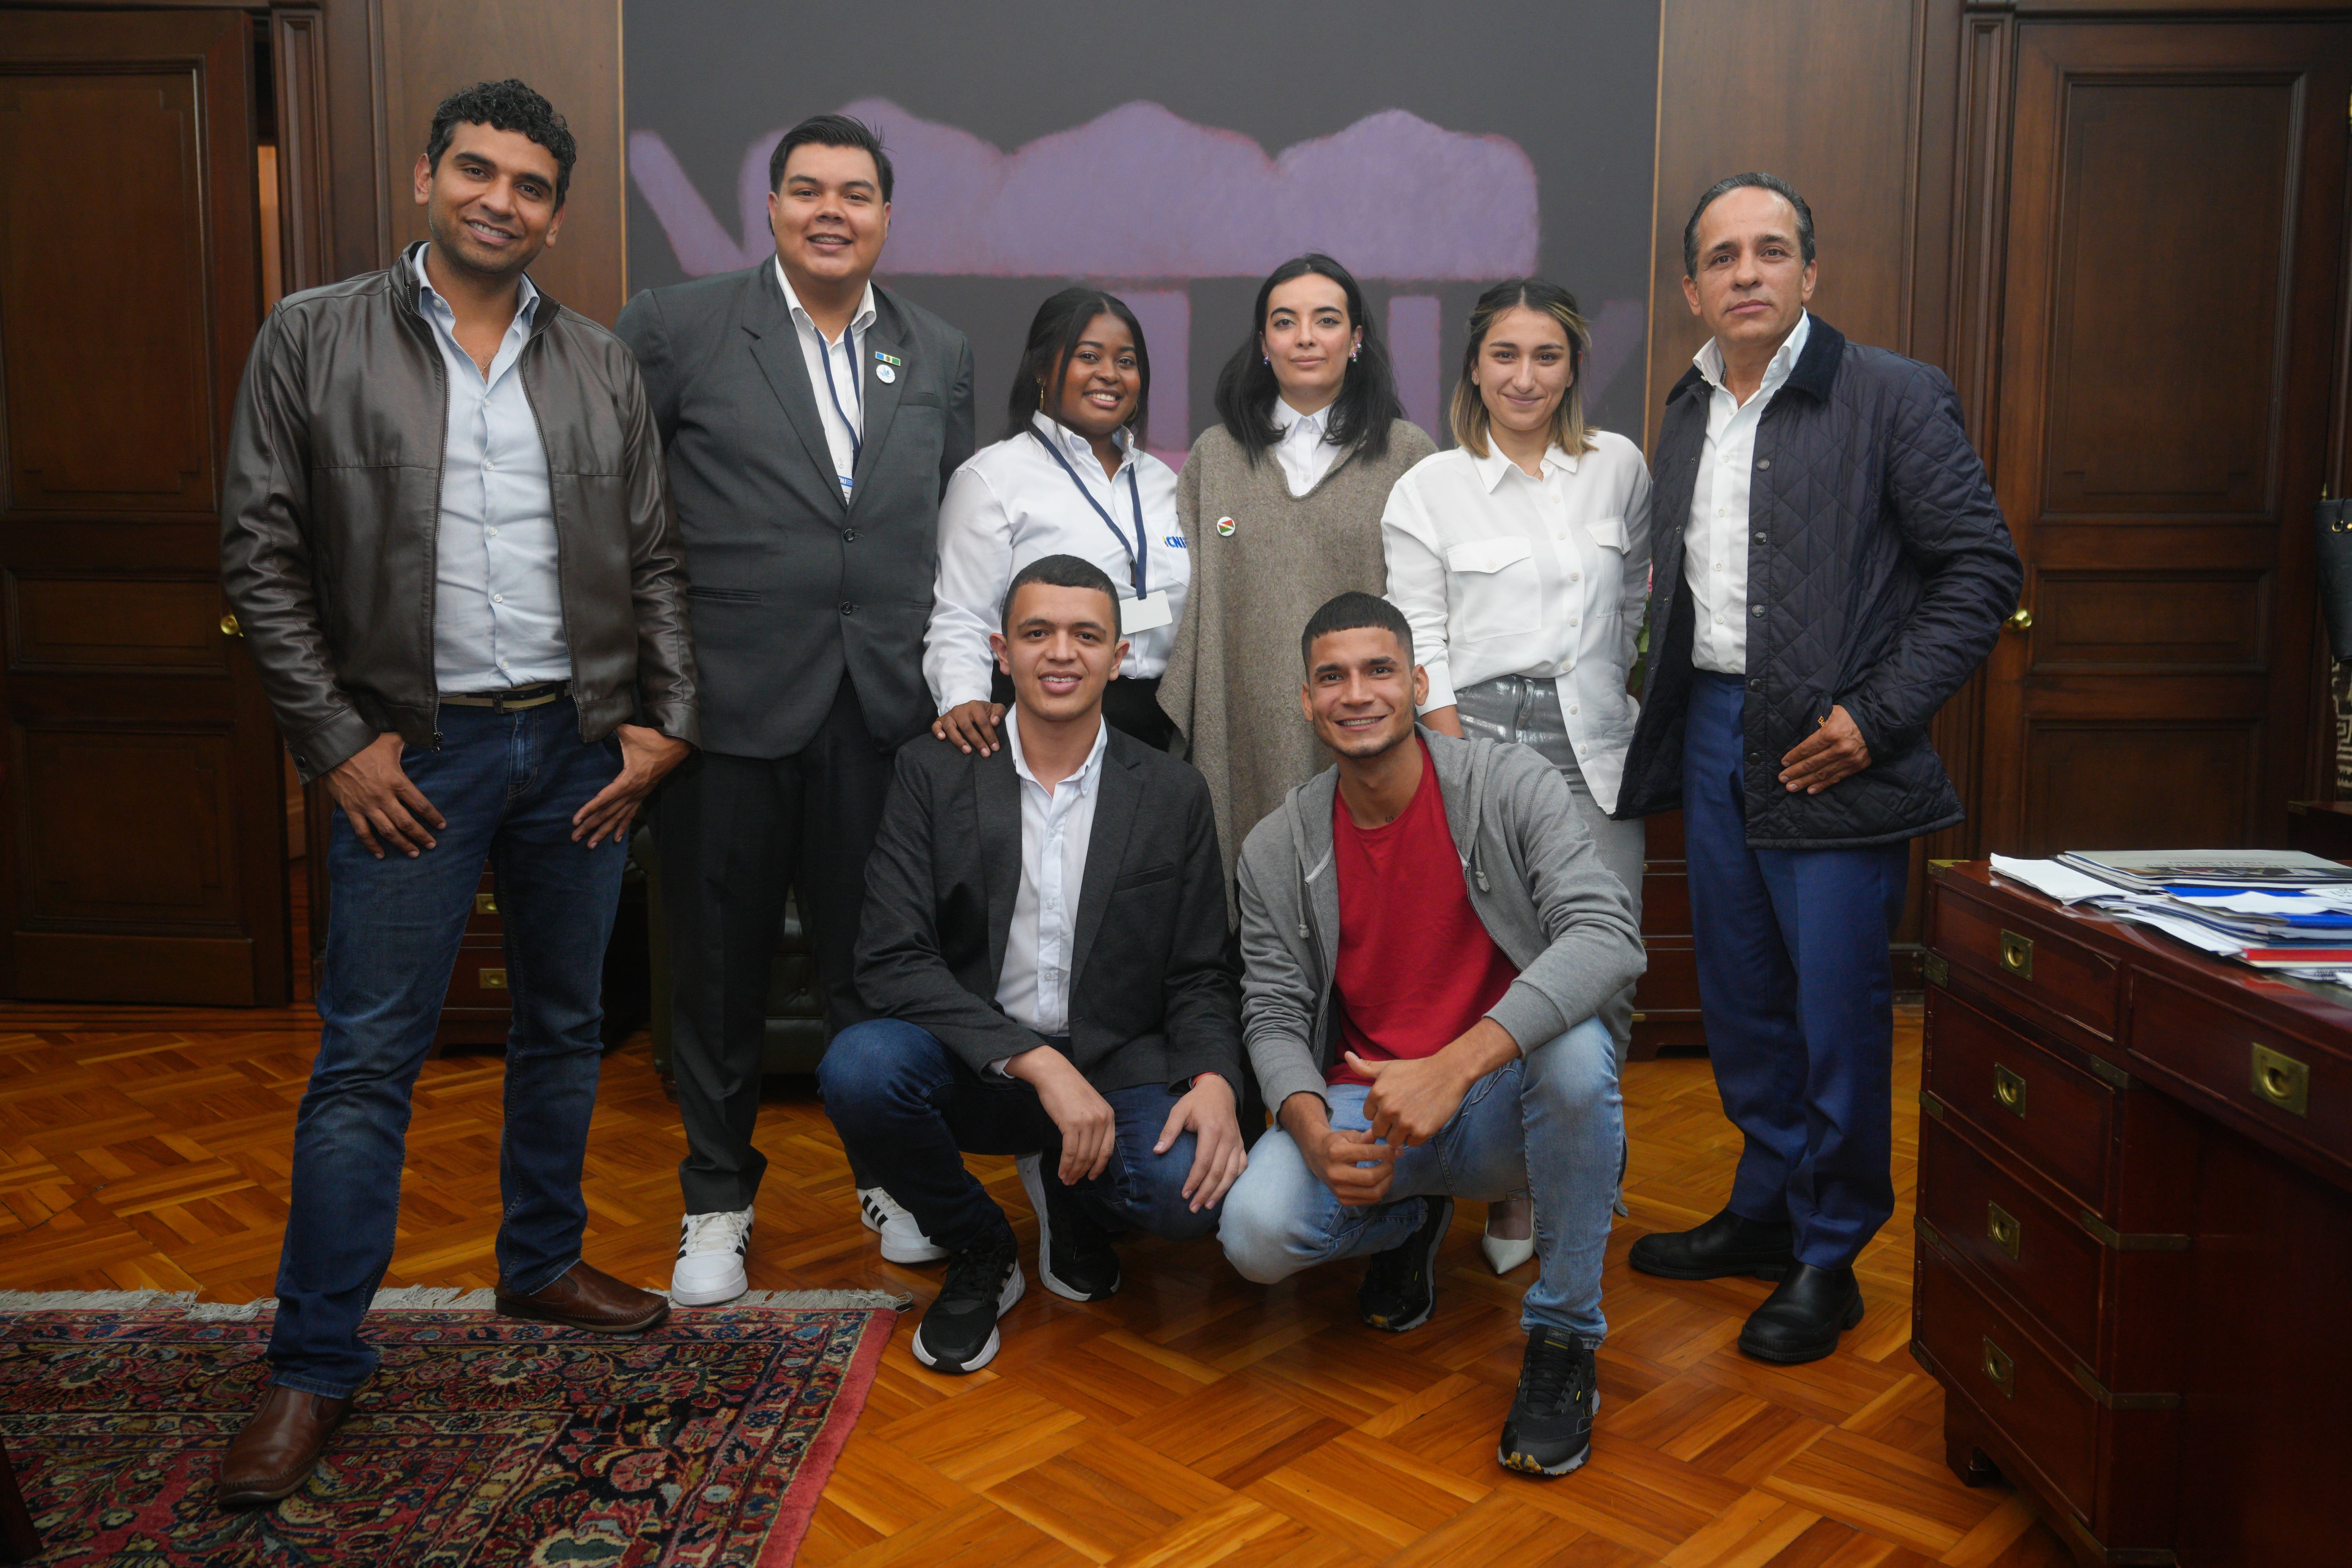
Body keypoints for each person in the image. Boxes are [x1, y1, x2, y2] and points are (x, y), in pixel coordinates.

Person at [215, 80, 695, 1506]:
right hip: (408, 753)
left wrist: (663, 726)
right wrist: (337, 743)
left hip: (577, 745)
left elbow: (656, 557)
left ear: (557, 209)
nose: (501, 199)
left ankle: (538, 1260)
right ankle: (313, 1364)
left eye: (531, 183)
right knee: (368, 1059)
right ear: (428, 176)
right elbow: (260, 552)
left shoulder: (599, 362)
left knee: (565, 1024)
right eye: (476, 171)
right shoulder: (312, 334)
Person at [1615, 173, 2020, 1362]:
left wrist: (1875, 716)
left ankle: (1830, 1255)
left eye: (1771, 250)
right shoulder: (1685, 411)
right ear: (1691, 287)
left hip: (1835, 750)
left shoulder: (1892, 396)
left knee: (1837, 1017)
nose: (1747, 273)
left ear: (1809, 273)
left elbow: (1980, 572)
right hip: (1713, 737)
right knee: (1741, 1003)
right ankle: (1760, 1211)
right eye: (1723, 257)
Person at [615, 115, 977, 1302]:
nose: (833, 211)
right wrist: (647, 694)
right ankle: (716, 1199)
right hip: (719, 714)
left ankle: (887, 1176)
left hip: (878, 713)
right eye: (808, 191)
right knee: (714, 972)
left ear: (885, 215)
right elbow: (628, 522)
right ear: (768, 208)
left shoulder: (935, 350)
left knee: (871, 971)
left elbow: (951, 536)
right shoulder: (676, 328)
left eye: (858, 194)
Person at [1218, 593, 1644, 1478]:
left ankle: (1564, 1331)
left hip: (1501, 1096)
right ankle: (1409, 1217)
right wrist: (1306, 1126)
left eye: (1380, 670)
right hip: (1367, 1101)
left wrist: (1454, 1066)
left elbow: (1607, 936)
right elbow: (1270, 1008)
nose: (1357, 693)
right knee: (1254, 1235)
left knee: (1572, 1050)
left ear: (1417, 682)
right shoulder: (1274, 846)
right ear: (1306, 700)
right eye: (1332, 676)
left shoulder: (1509, 784)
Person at [825, 555, 1247, 1374]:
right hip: (977, 1061)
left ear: (1118, 656)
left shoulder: (1171, 789)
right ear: (1000, 649)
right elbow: (891, 957)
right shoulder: (932, 771)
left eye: (1086, 634)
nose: (1062, 652)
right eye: (1037, 632)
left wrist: (1215, 1079)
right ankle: (982, 1243)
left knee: (1187, 1194)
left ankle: (1073, 1190)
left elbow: (1200, 970)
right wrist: (1038, 1062)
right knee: (861, 1066)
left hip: (1115, 1062)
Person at [1382, 278, 1653, 1276]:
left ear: (1573, 365)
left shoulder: (1616, 468)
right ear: (1474, 366)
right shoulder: (1430, 486)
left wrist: (1605, 685)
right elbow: (1423, 644)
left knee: (1603, 962)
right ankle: (1507, 1181)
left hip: (1592, 739)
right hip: (1475, 734)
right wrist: (1459, 771)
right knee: (1496, 964)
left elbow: (1631, 600)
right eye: (1505, 354)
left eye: (1546, 355)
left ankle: (1575, 1169)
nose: (1525, 375)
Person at [1157, 254, 1438, 906]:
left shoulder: (1408, 453)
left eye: (1327, 320)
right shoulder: (1216, 455)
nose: (1306, 337)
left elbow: (1429, 610)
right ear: (1264, 344)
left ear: (1358, 337)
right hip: (1242, 722)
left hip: (1369, 722)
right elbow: (1184, 597)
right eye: (1286, 322)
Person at [927, 288, 1186, 755]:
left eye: (1126, 362)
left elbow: (1177, 610)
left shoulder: (1164, 482)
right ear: (1043, 369)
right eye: (1088, 356)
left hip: (1157, 733)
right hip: (1041, 723)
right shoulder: (992, 478)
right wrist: (963, 698)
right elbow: (962, 615)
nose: (1109, 374)